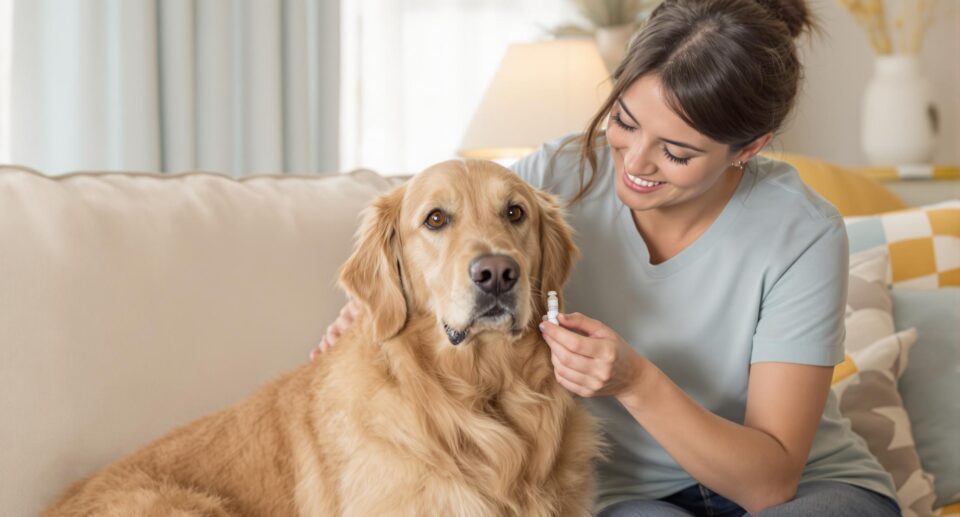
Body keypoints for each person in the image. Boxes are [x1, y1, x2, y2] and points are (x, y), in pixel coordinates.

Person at [313, 0, 902, 515]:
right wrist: (365, 314)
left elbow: (769, 485)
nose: (635, 162)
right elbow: (441, 252)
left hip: (804, 492)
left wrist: (635, 381)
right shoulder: (550, 180)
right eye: (624, 121)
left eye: (675, 151)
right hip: (633, 498)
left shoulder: (802, 232)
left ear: (747, 149)